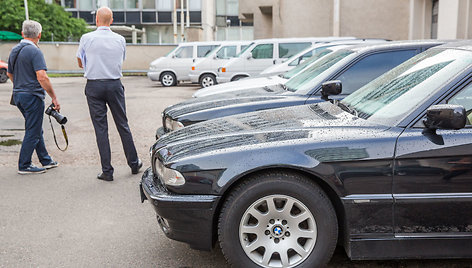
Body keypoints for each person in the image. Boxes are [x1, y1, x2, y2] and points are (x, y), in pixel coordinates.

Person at [76, 7, 142, 182]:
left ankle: (107, 171)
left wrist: (92, 65)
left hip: (94, 86)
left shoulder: (86, 38)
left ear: (96, 20)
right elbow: (121, 60)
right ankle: (134, 164)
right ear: (111, 21)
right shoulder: (120, 39)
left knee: (101, 129)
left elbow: (80, 61)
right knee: (122, 124)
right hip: (114, 85)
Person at [7, 20, 60, 175]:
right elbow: (42, 76)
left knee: (35, 127)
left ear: (23, 33)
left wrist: (20, 86)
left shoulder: (15, 50)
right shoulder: (35, 51)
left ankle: (45, 160)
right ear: (39, 35)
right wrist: (54, 97)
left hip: (18, 95)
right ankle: (24, 164)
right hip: (32, 96)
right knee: (33, 129)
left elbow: (10, 73)